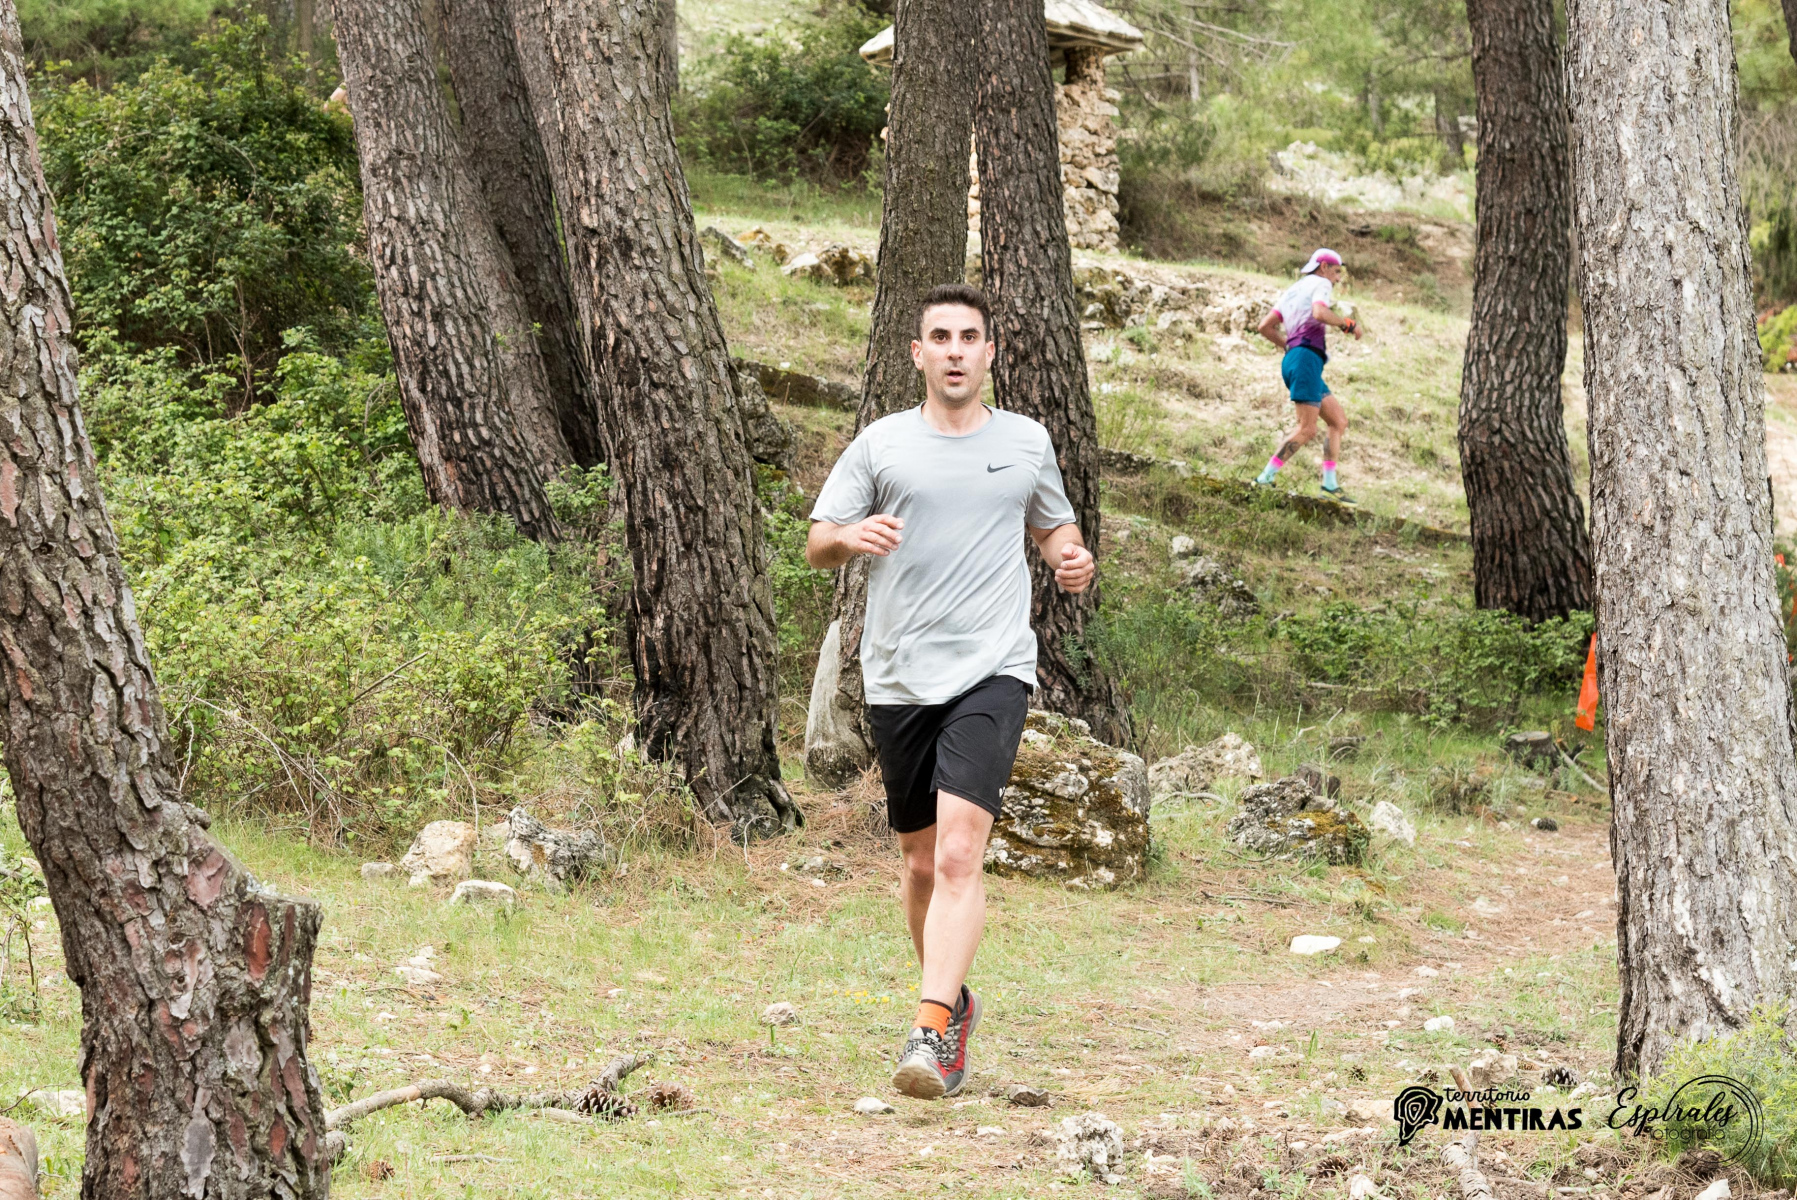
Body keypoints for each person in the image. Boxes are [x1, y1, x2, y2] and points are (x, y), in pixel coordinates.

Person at [805, 283, 1095, 1100]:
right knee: (921, 862)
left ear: (989, 352)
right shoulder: (882, 444)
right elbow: (817, 542)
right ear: (918, 353)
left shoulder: (1026, 441)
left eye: (970, 337)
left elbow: (1052, 524)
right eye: (941, 337)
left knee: (962, 852)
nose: (956, 350)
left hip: (992, 667)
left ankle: (929, 1032)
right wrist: (849, 537)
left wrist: (1069, 556)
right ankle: (955, 1001)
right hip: (899, 672)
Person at [1253, 248, 1363, 503]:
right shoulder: (1320, 283)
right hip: (1306, 360)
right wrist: (1347, 324)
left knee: (1338, 421)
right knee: (1307, 428)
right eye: (1336, 272)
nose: (1337, 279)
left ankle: (1330, 485)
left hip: (1297, 359)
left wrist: (1290, 346)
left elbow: (1264, 326)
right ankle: (1264, 478)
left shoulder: (1293, 290)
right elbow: (1319, 313)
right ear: (1324, 267)